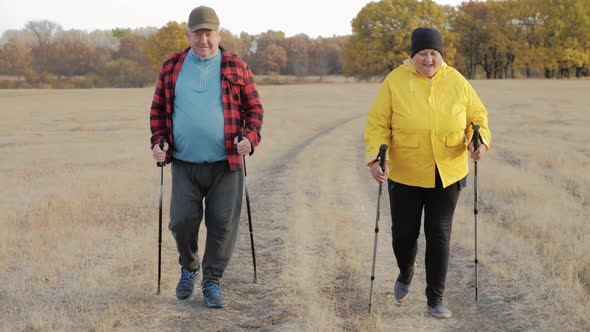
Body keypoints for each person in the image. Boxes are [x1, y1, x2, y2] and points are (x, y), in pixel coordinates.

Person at [364, 27, 491, 319]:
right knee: (403, 236)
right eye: (423, 53)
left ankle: (435, 298)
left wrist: (480, 142)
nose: (429, 59)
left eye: (434, 53)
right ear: (413, 56)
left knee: (439, 234)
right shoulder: (395, 81)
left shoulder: (457, 80)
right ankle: (406, 271)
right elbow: (377, 124)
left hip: (447, 172)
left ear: (441, 55)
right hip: (406, 173)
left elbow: (478, 118)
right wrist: (375, 159)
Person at [149, 5, 264, 308]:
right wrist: (158, 142)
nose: (204, 39)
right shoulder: (172, 67)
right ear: (188, 35)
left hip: (226, 163)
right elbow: (159, 111)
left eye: (209, 33)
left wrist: (250, 140)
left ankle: (212, 280)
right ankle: (189, 267)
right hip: (185, 163)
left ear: (219, 34)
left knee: (223, 223)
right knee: (181, 221)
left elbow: (254, 111)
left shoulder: (236, 66)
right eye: (197, 33)